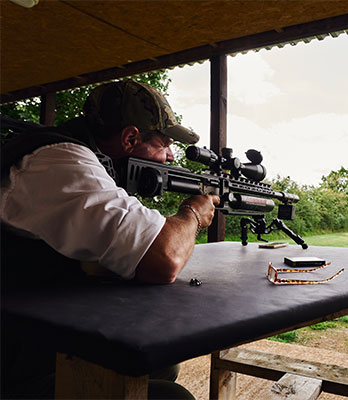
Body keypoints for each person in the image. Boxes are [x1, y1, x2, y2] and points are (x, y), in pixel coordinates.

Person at [0, 80, 219, 399]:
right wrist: (194, 214)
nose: (171, 156)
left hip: (31, 330)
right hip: (16, 360)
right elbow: (162, 258)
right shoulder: (61, 160)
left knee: (162, 366)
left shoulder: (73, 157)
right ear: (130, 137)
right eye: (163, 143)